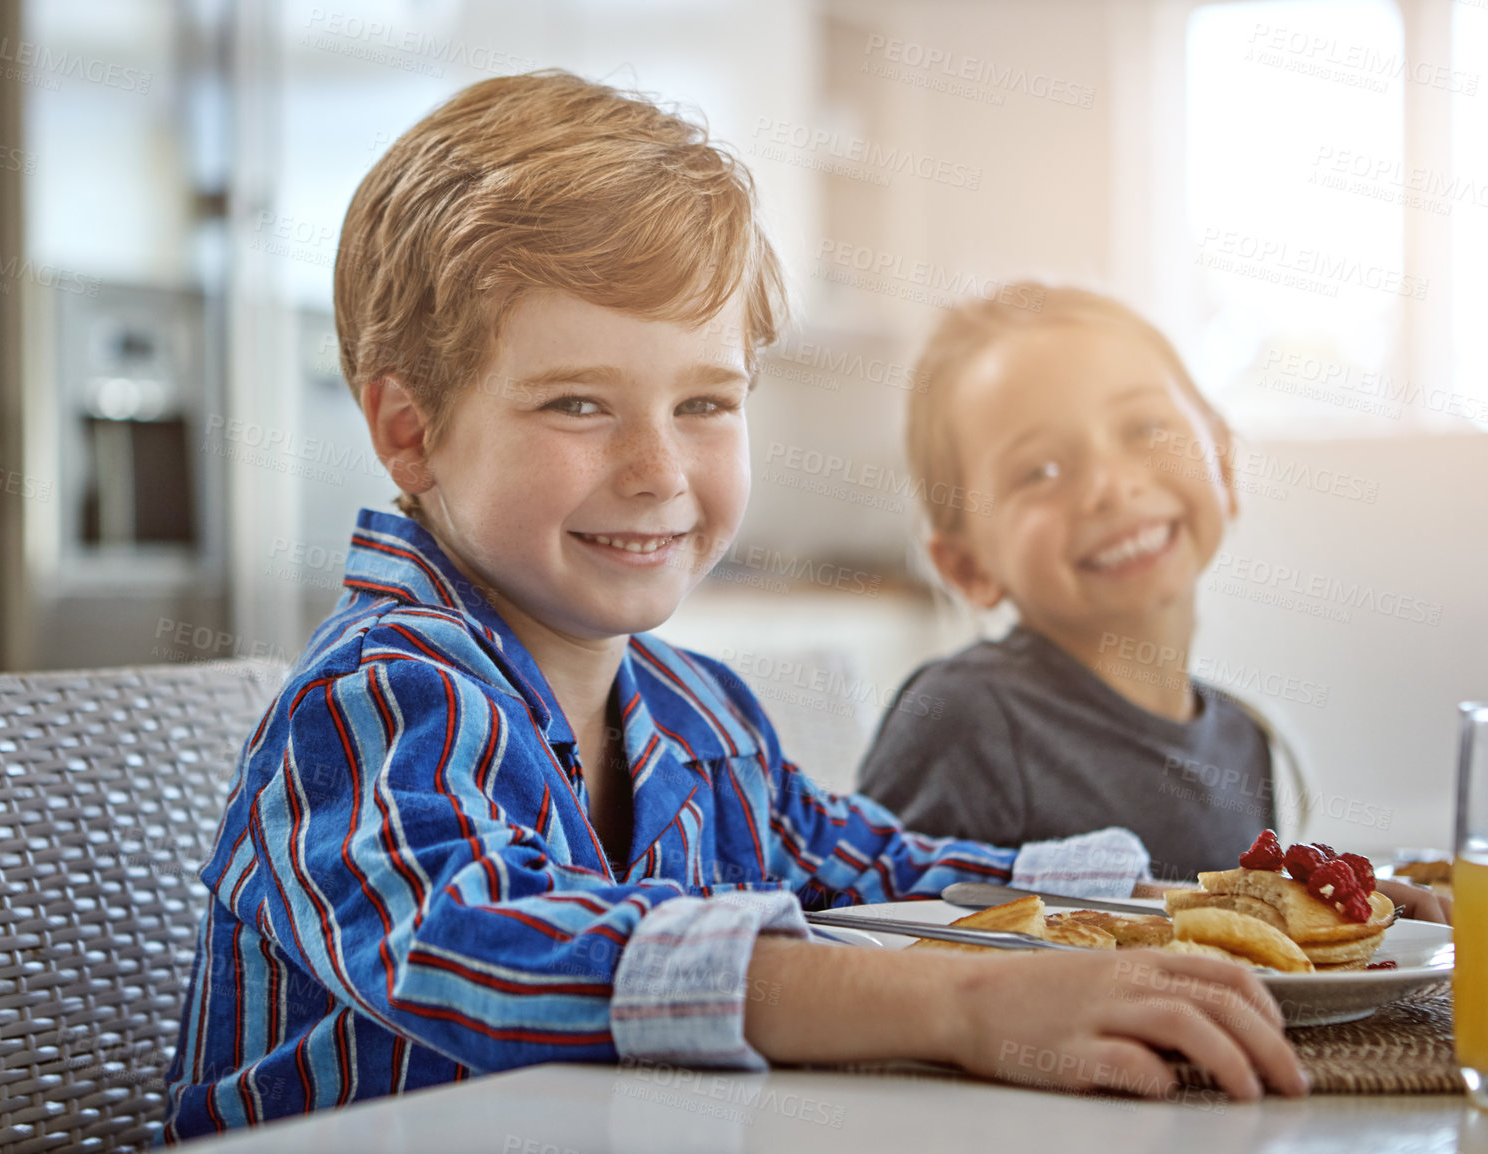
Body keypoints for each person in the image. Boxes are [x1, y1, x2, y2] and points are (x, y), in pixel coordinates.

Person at [160, 74, 1305, 1141]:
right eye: (576, 403)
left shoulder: (701, 717)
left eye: (705, 401)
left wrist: (1210, 905)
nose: (658, 468)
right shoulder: (378, 698)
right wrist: (960, 998)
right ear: (411, 432)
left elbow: (885, 870)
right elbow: (488, 946)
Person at [854, 288, 1451, 919]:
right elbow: (878, 942)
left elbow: (1241, 946)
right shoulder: (966, 720)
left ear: (1222, 458)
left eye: (1144, 428)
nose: (1111, 485)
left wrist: (1342, 911)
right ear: (968, 566)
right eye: (1041, 471)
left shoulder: (1246, 738)